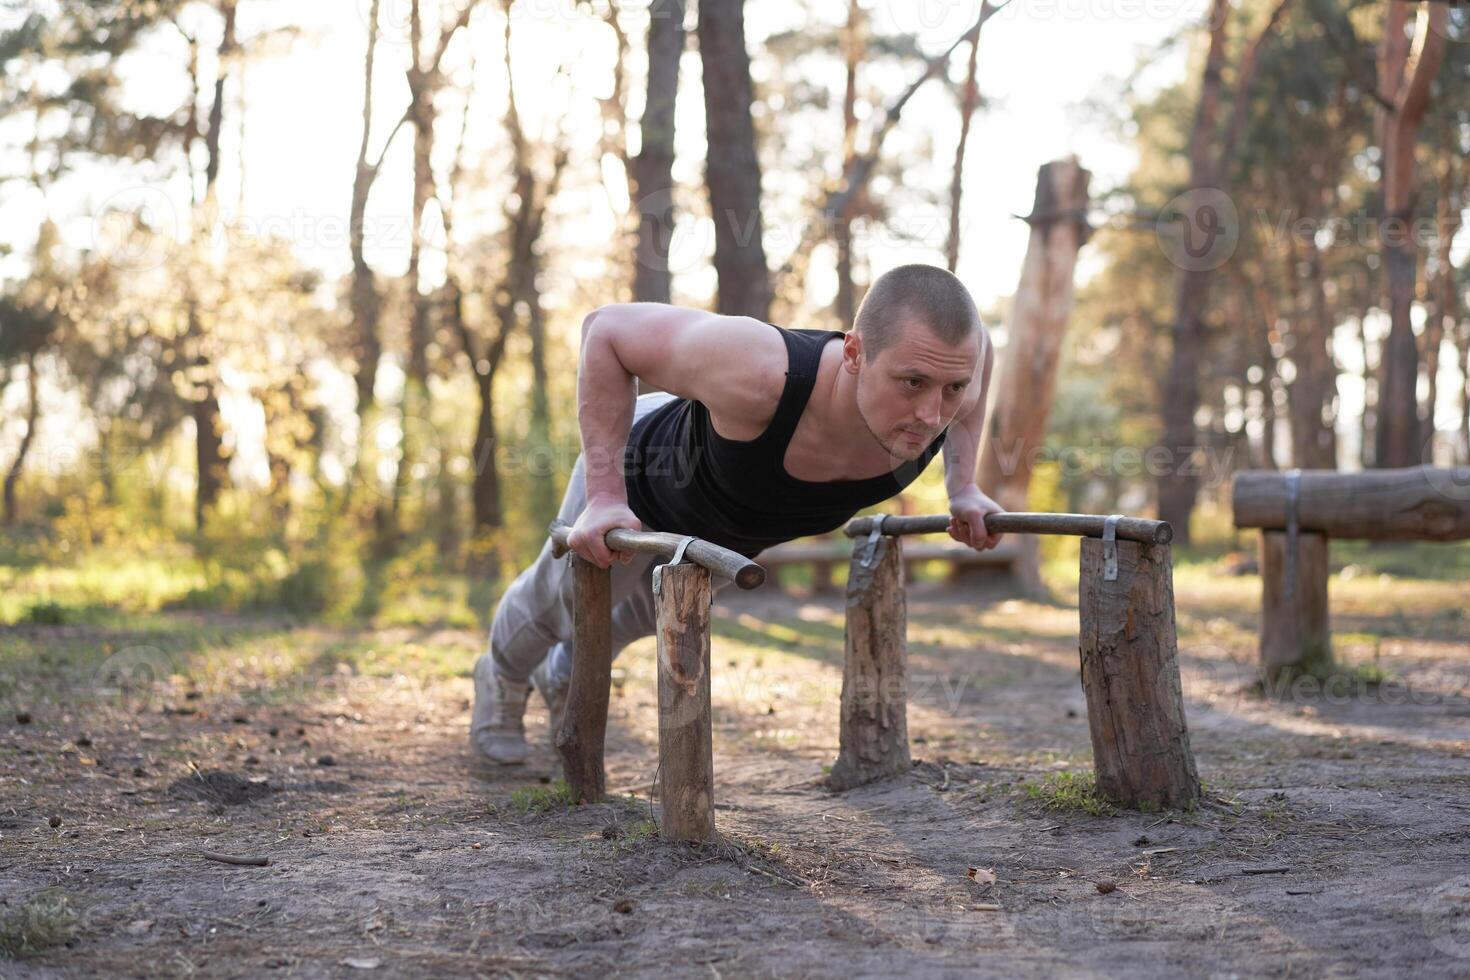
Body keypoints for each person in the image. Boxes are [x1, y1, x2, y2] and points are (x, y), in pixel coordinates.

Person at [470, 263, 1006, 764]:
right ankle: (499, 680)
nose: (931, 414)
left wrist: (963, 489)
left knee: (640, 619)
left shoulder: (957, 368)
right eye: (911, 382)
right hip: (643, 472)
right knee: (561, 604)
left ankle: (564, 670)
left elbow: (978, 362)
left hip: (734, 526)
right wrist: (605, 495)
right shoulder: (761, 369)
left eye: (952, 389)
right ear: (855, 354)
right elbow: (606, 329)